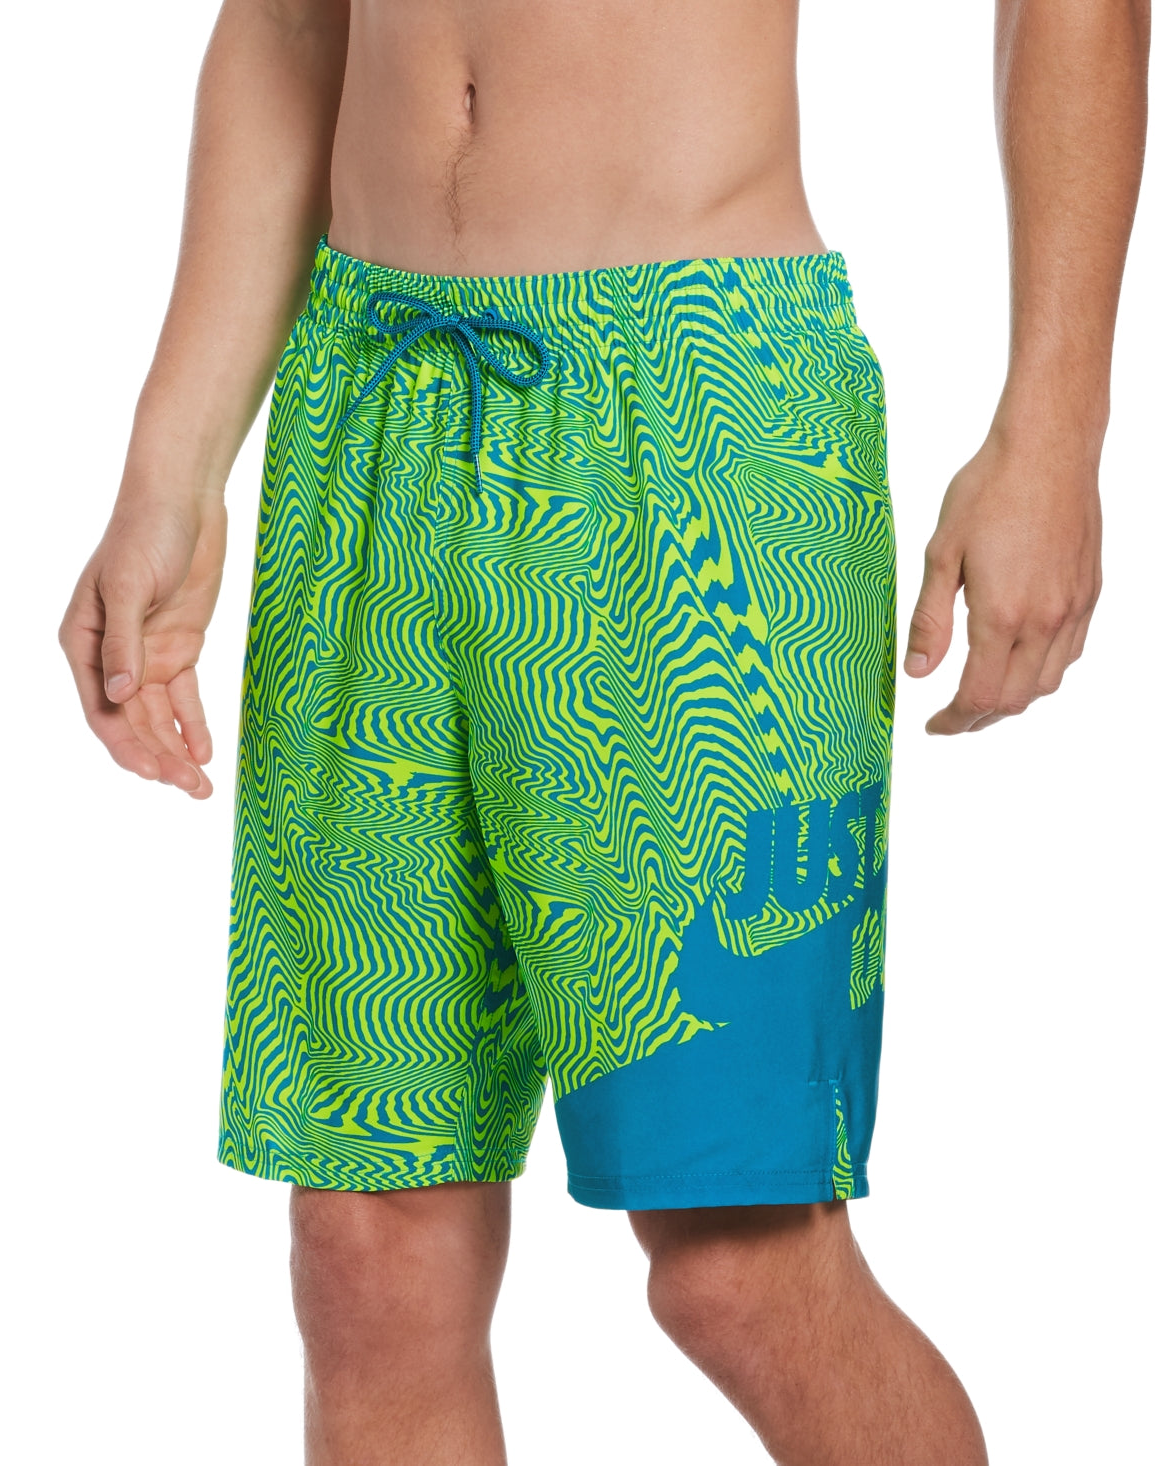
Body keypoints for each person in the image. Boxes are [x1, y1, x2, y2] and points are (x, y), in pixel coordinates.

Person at [58, 2, 1148, 1462]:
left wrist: (1054, 429)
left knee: (741, 1265)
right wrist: (172, 466)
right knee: (370, 1256)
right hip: (371, 398)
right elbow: (288, 19)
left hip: (692, 423)